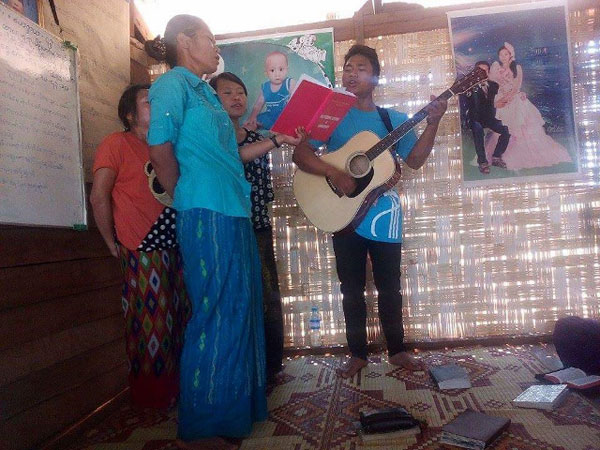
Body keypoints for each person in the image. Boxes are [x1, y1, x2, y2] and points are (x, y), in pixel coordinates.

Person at [146, 15, 267, 446]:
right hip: (204, 210)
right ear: (184, 41)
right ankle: (201, 427)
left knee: (240, 307)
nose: (216, 49)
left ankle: (234, 413)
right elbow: (159, 143)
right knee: (215, 310)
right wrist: (182, 192)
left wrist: (278, 141)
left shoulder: (207, 94)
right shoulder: (171, 85)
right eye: (210, 40)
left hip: (232, 209)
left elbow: (231, 153)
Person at [292, 44, 447, 378]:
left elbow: (415, 161)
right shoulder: (331, 117)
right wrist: (335, 172)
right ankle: (357, 353)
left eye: (360, 67)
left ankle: (398, 350)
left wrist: (433, 123)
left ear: (375, 76)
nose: (351, 73)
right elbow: (301, 155)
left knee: (390, 285)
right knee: (351, 287)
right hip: (342, 212)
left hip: (384, 215)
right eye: (348, 67)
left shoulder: (393, 120)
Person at [90, 84, 188, 409]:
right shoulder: (115, 144)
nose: (157, 106)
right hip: (140, 248)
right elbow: (98, 194)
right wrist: (109, 241)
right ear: (130, 114)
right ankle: (153, 398)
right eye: (149, 102)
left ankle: (179, 392)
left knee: (180, 317)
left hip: (176, 244)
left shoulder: (167, 146)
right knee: (152, 325)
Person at [209, 71, 306, 384]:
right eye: (228, 93)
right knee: (234, 298)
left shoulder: (255, 139)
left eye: (241, 92)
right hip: (223, 230)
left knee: (267, 297)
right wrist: (276, 140)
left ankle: (270, 368)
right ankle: (240, 370)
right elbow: (231, 162)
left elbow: (264, 191)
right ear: (212, 99)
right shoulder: (211, 138)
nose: (237, 98)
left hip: (258, 227)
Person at [485, 42, 572, 170]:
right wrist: (500, 98)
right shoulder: (496, 67)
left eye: (506, 54)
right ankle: (498, 155)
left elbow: (516, 86)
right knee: (503, 128)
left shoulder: (517, 68)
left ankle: (524, 155)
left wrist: (508, 98)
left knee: (522, 128)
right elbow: (492, 84)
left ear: (510, 55)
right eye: (501, 54)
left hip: (514, 99)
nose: (503, 56)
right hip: (502, 100)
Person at [464, 61, 510, 174]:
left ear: (488, 72)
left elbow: (499, 99)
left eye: (485, 70)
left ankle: (496, 157)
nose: (482, 73)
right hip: (475, 118)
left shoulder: (493, 85)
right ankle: (482, 162)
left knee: (505, 131)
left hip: (489, 118)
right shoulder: (468, 88)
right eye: (479, 70)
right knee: (478, 129)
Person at [244, 51, 296, 130]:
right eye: (272, 70)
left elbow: (295, 98)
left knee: (293, 121)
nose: (277, 74)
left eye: (281, 69)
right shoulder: (265, 87)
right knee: (256, 120)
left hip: (285, 116)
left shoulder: (289, 82)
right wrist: (252, 117)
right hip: (270, 116)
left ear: (286, 70)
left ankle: (280, 128)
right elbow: (258, 105)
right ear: (266, 73)